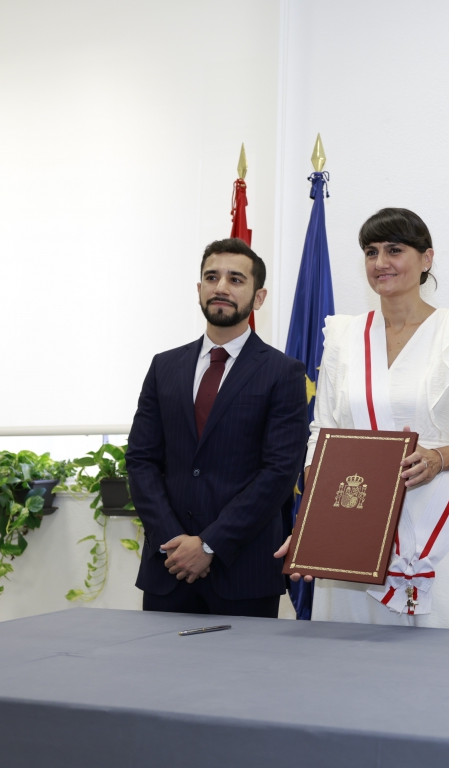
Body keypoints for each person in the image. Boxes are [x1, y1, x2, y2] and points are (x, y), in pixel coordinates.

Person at [275, 208, 449, 630]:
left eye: (394, 249)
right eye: (371, 252)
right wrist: (319, 516)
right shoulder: (343, 335)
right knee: (354, 664)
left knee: (444, 662)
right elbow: (321, 430)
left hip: (437, 514)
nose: (380, 262)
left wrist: (439, 459)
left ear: (426, 258)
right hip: (354, 516)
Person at [128, 238, 309, 618]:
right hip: (169, 567)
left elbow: (278, 473)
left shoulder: (283, 373)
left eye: (236, 279)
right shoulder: (165, 367)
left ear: (258, 298)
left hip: (243, 571)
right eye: (212, 277)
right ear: (199, 290)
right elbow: (141, 460)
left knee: (242, 679)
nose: (221, 287)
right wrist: (174, 545)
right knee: (158, 677)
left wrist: (209, 545)